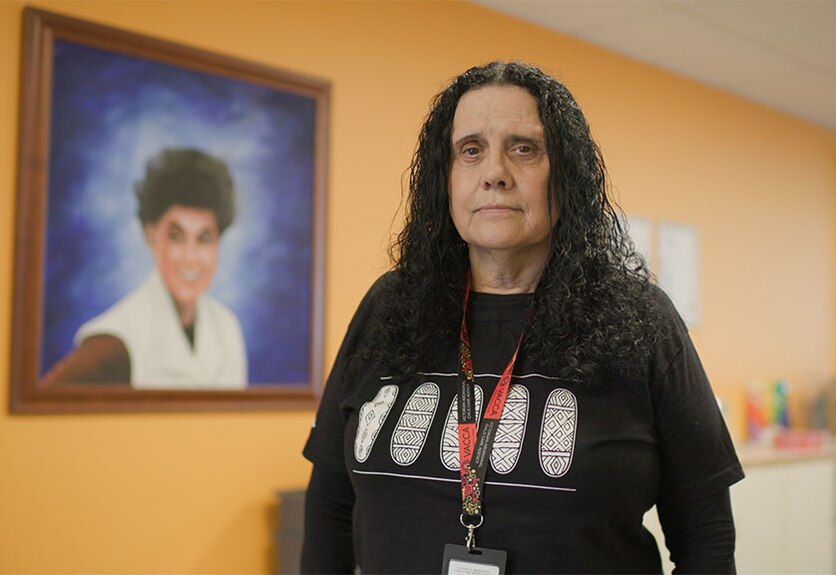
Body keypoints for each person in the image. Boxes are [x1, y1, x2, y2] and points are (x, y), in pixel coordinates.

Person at [301, 61, 743, 574]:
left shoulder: (640, 319)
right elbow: (331, 506)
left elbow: (705, 533)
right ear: (444, 180)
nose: (494, 173)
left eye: (523, 148)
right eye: (470, 150)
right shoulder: (388, 307)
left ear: (567, 175)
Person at [42, 147, 247, 389]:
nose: (191, 258)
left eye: (204, 239)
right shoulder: (113, 342)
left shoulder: (226, 327)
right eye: (176, 237)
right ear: (151, 236)